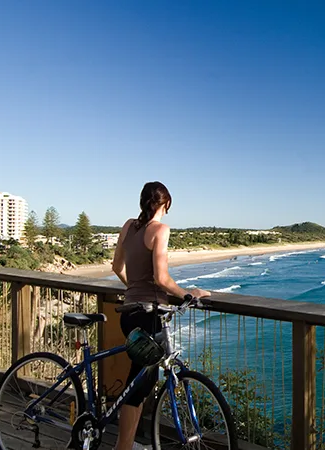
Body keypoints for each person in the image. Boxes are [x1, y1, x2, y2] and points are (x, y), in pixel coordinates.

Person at [111, 181, 211, 450]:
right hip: (149, 317)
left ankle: (126, 444)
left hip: (128, 313)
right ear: (165, 204)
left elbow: (116, 266)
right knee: (139, 386)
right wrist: (189, 293)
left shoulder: (129, 226)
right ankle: (122, 446)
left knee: (139, 383)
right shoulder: (160, 230)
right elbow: (162, 279)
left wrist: (133, 288)